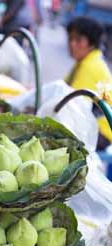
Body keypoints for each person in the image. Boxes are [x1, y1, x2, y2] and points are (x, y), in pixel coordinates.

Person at [65, 16, 112, 150]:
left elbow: (70, 105)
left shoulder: (91, 66)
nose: (72, 44)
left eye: (78, 40)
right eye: (70, 39)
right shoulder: (85, 61)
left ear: (91, 43)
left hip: (101, 132)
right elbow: (62, 88)